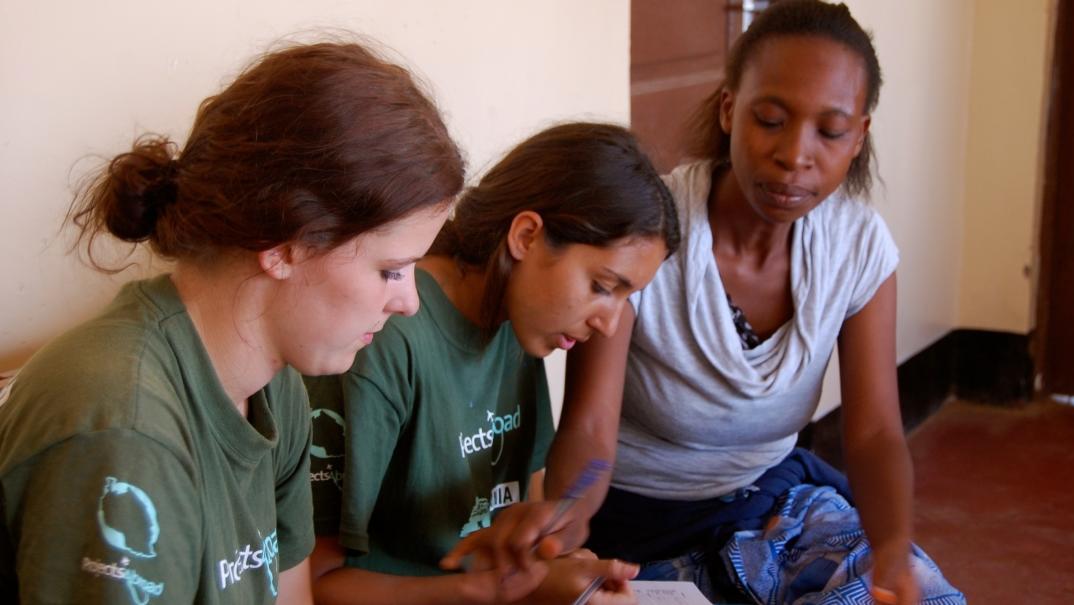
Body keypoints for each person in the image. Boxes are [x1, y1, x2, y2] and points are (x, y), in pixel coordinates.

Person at [452, 2, 967, 604]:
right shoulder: (649, 241)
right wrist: (565, 517)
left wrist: (890, 552)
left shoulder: (857, 246)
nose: (796, 154)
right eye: (771, 119)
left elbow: (876, 432)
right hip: (642, 525)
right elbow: (592, 427)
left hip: (776, 505)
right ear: (729, 109)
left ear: (859, 136)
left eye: (829, 132)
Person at [0, 41, 465, 604]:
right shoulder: (124, 426)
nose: (409, 303)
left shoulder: (277, 389)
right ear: (285, 244)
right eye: (392, 270)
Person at [305, 122, 680, 605]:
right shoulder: (385, 340)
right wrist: (487, 591)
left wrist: (553, 559)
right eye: (603, 287)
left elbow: (530, 504)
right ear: (526, 236)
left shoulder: (519, 326)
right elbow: (313, 585)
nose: (608, 324)